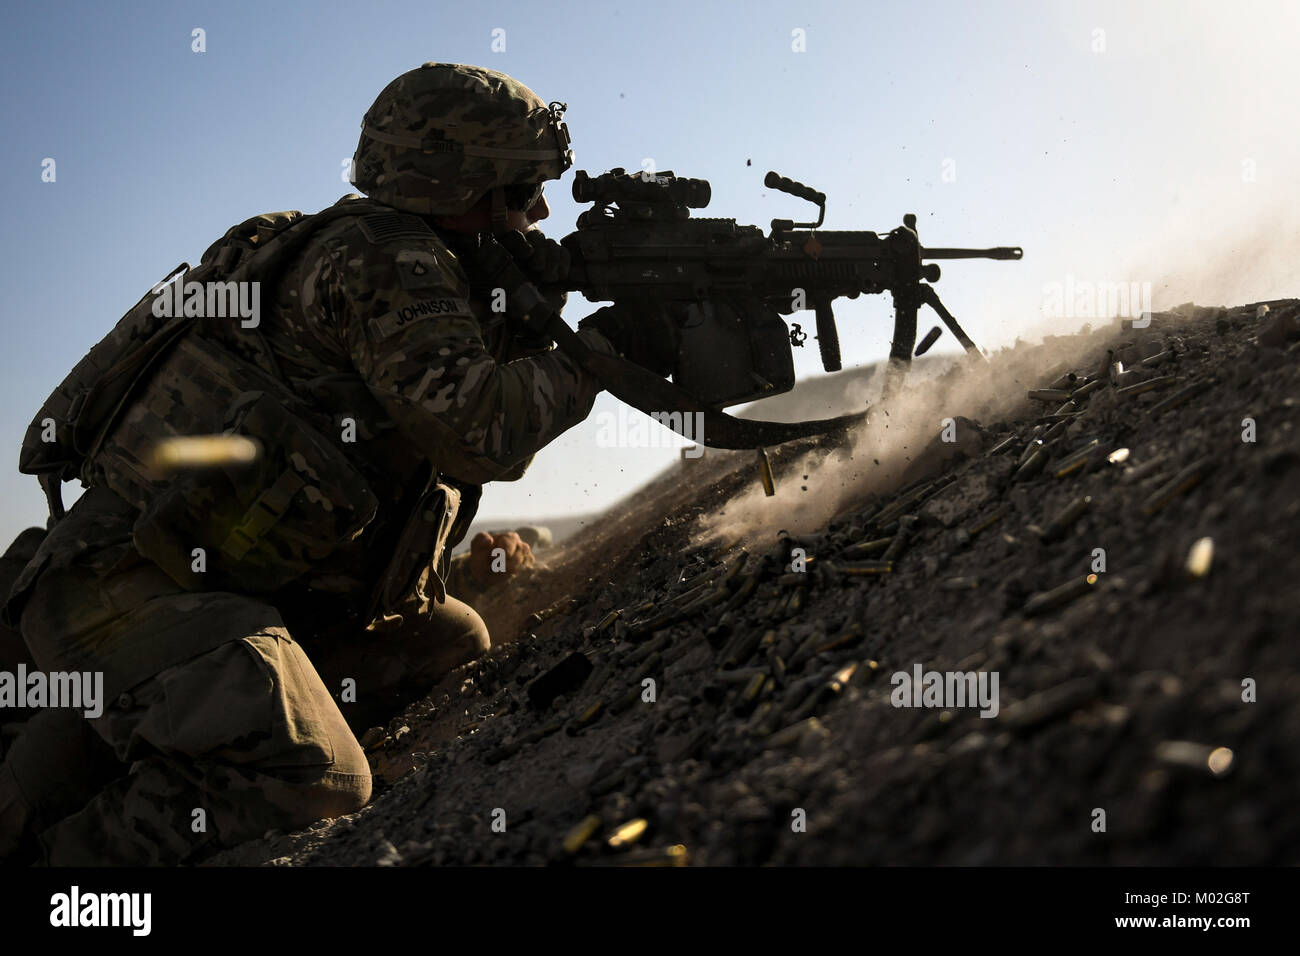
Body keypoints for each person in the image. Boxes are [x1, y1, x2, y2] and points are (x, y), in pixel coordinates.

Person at [0, 62, 677, 865]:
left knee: (448, 642)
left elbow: (468, 445)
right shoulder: (382, 259)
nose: (539, 211)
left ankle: (120, 734)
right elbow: (482, 433)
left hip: (219, 587)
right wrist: (605, 351)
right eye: (523, 187)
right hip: (123, 592)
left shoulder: (419, 259)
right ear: (463, 182)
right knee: (315, 781)